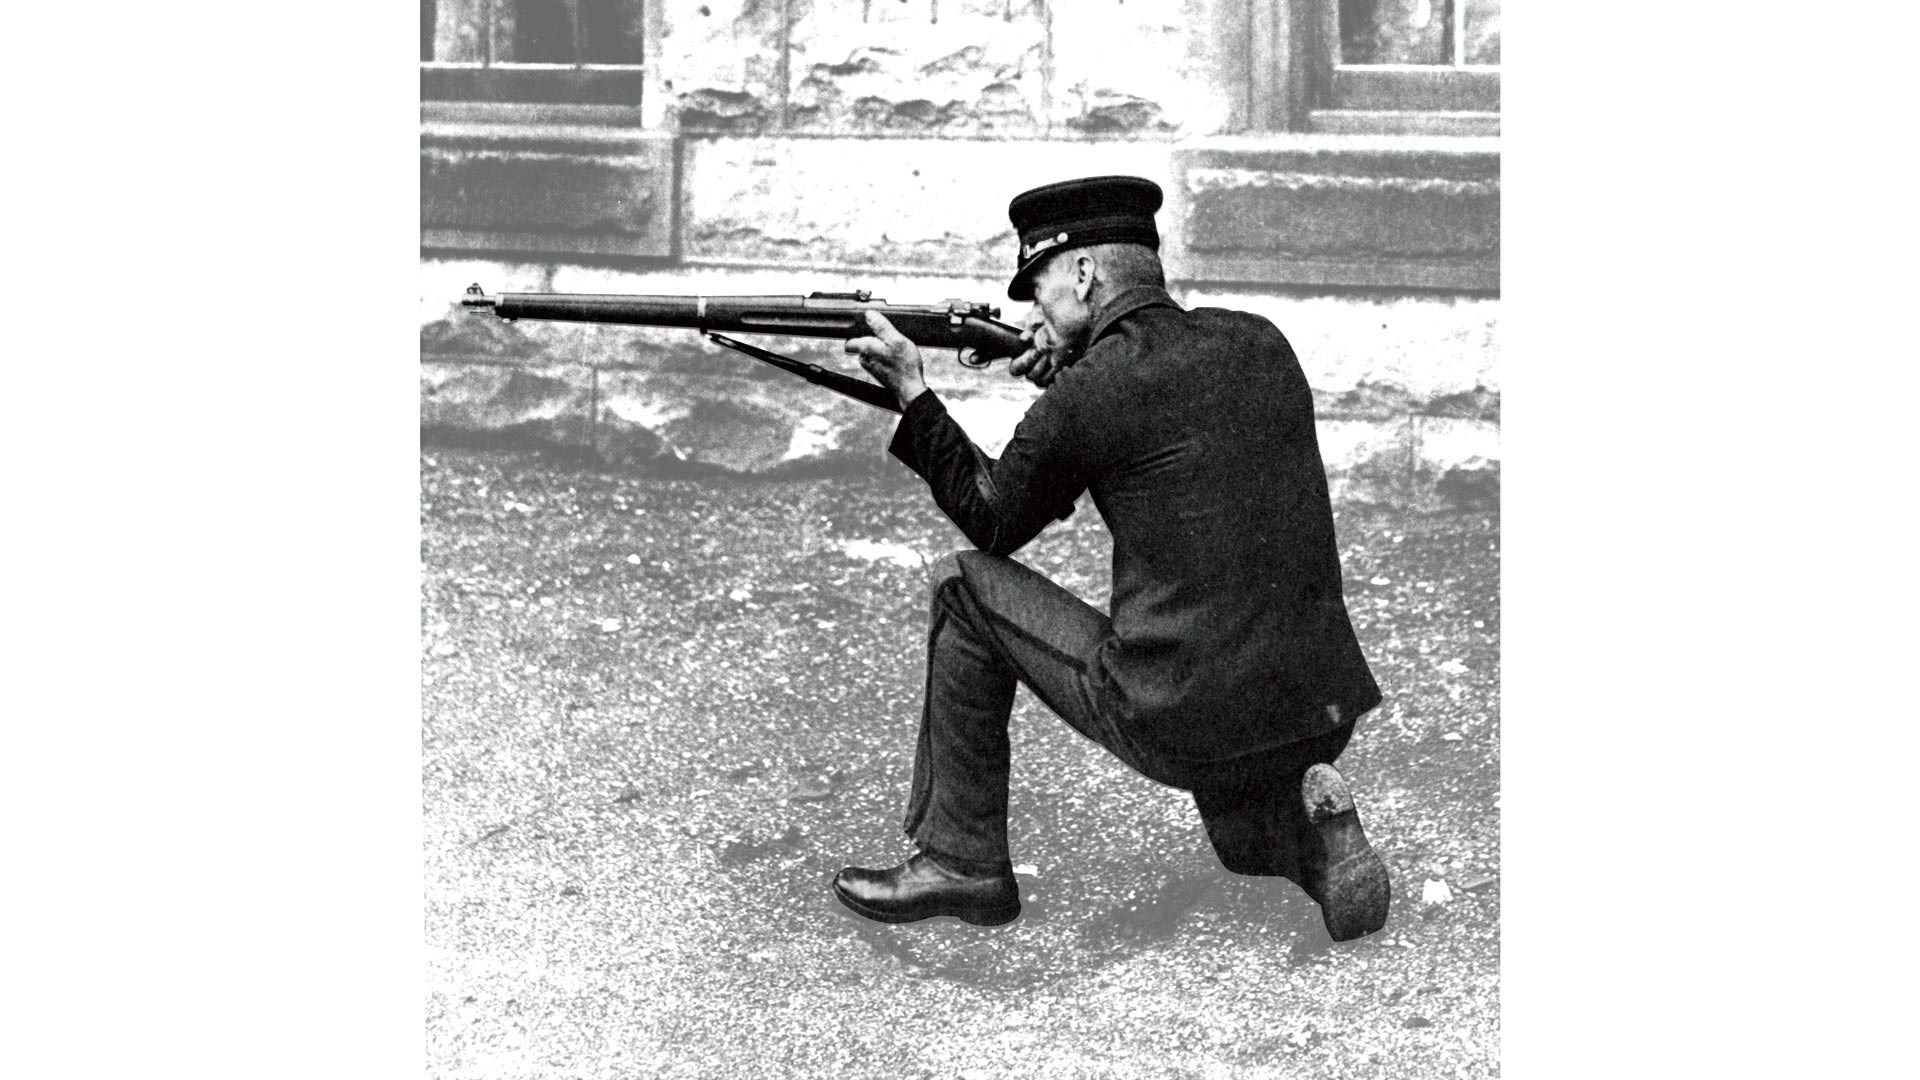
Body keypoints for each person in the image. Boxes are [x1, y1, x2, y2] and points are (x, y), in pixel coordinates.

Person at [836, 176, 1390, 941]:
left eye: (1039, 290)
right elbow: (1162, 423)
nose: (1033, 315)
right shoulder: (1259, 340)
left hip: (1186, 718)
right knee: (1237, 845)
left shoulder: (1092, 392)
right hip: (1314, 709)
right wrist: (1073, 369)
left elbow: (991, 518)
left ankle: (962, 860)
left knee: (963, 587)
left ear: (1085, 275)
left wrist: (914, 395)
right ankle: (1317, 848)